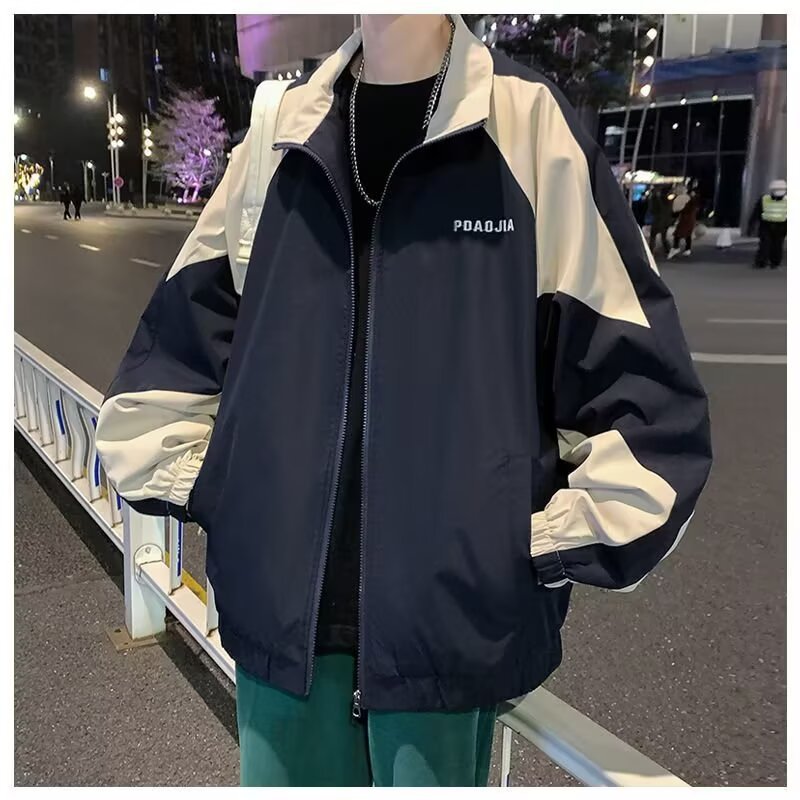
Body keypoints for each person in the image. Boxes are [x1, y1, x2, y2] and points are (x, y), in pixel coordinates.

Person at [95, 14, 712, 787]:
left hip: (445, 647)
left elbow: (648, 409)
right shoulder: (283, 131)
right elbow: (166, 367)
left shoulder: (527, 126)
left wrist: (518, 547)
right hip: (282, 637)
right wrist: (236, 501)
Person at [748, 179, 787, 269]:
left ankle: (774, 262)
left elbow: (755, 213)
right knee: (765, 244)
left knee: (777, 245)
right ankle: (763, 262)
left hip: (780, 226)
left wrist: (751, 225)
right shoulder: (764, 199)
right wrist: (751, 225)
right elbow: (756, 212)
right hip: (767, 225)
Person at [668, 188, 699, 259]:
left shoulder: (690, 201)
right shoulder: (692, 200)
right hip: (690, 220)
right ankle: (687, 249)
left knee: (678, 234)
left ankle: (676, 247)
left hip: (685, 220)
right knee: (687, 234)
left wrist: (677, 212)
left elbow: (684, 209)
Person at [647, 186, 674, 258]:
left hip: (658, 221)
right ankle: (668, 250)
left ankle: (651, 252)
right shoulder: (668, 200)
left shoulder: (655, 200)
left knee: (653, 236)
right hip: (666, 221)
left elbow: (652, 210)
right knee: (663, 237)